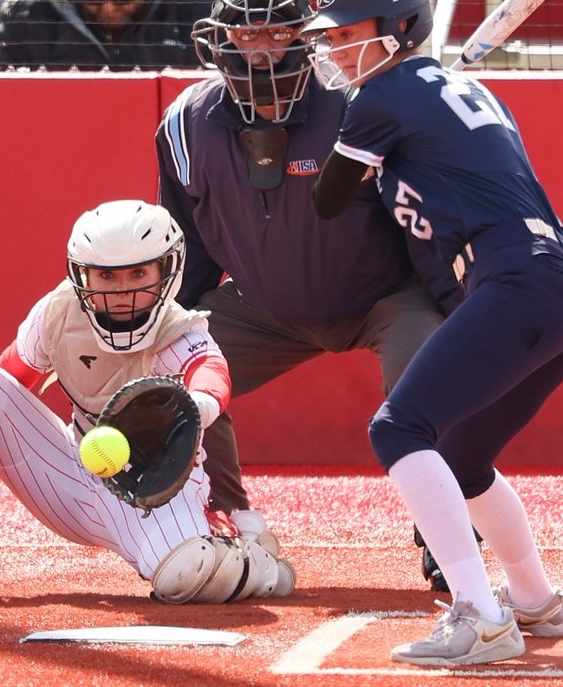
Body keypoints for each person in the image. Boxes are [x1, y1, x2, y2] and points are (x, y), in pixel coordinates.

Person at [304, 0, 563, 666]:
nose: (336, 50)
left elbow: (326, 199)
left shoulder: (381, 98)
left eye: (349, 36)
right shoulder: (464, 88)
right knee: (465, 460)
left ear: (399, 31)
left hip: (518, 280)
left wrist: (373, 157)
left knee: (398, 428)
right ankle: (533, 599)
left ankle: (481, 617)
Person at [0, 200, 295, 604]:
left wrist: (197, 406)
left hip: (156, 494)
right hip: (72, 474)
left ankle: (252, 557)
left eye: (138, 274)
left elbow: (212, 375)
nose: (122, 292)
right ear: (82, 275)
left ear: (167, 271)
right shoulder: (59, 313)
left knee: (187, 575)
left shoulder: (182, 328)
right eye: (107, 276)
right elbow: (4, 384)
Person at [156, 0, 462, 577]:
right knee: (171, 370)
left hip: (386, 299)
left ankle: (446, 538)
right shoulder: (184, 123)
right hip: (263, 309)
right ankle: (223, 522)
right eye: (248, 35)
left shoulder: (359, 100)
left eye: (278, 31)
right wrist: (168, 332)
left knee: (428, 379)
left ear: (307, 36)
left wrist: (452, 307)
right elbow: (188, 248)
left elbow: (427, 217)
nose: (264, 48)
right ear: (222, 41)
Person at [0, 0, 211, 70]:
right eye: (93, 2)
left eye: (123, 1)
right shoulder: (24, 14)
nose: (109, 9)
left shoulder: (200, 14)